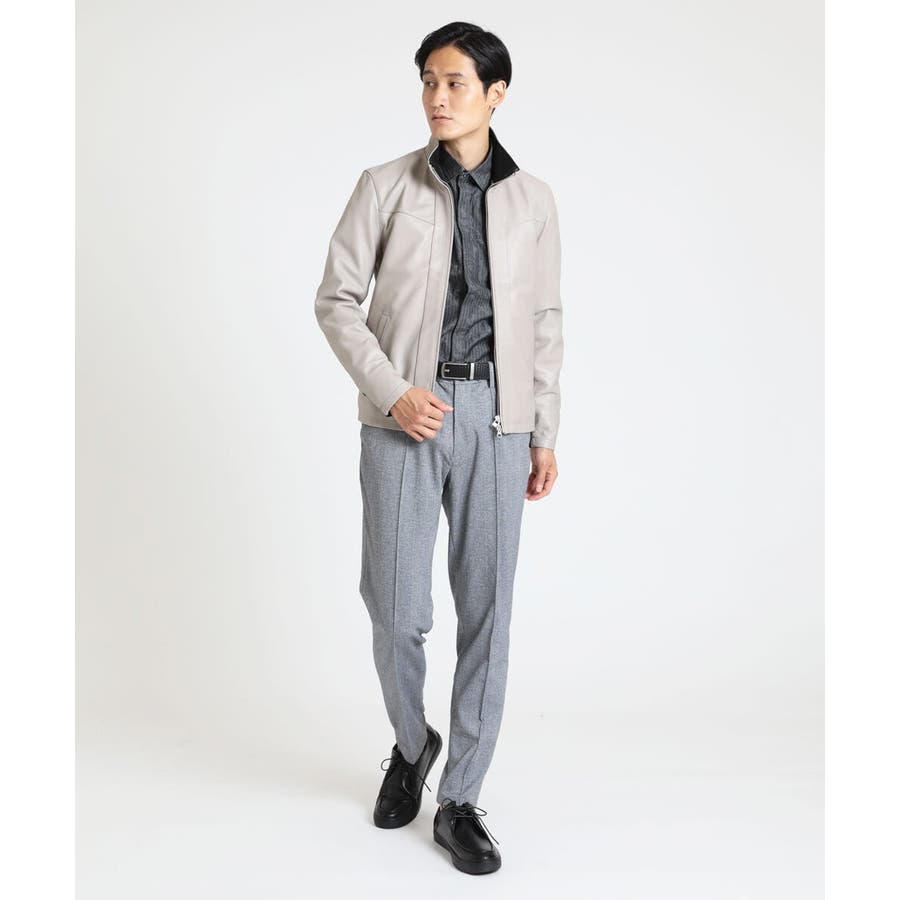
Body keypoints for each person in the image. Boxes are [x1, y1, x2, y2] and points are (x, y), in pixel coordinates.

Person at [313, 21, 563, 876]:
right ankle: (412, 743)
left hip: (498, 418)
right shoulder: (384, 186)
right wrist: (393, 390)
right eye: (428, 80)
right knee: (394, 605)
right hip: (404, 414)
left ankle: (459, 797)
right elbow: (337, 300)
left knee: (488, 608)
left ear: (496, 93)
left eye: (455, 82)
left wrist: (542, 429)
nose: (437, 97)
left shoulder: (534, 201)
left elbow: (544, 322)